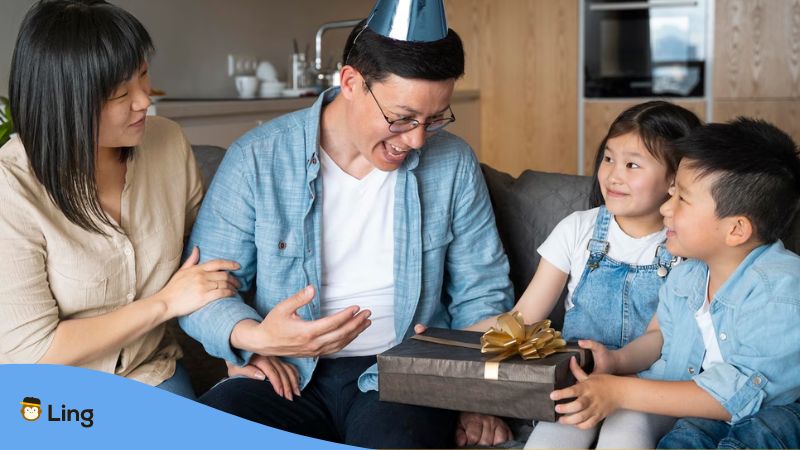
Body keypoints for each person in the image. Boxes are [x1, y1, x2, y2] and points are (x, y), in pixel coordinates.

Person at [178, 0, 513, 447]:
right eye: (402, 118)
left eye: (433, 120)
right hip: (284, 373)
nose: (415, 140)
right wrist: (254, 336)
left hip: (402, 376)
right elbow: (203, 293)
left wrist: (472, 393)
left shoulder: (451, 163)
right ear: (351, 82)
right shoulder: (258, 158)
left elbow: (483, 292)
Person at [0, 0, 240, 399]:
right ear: (63, 100)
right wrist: (164, 304)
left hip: (150, 373)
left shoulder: (167, 142)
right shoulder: (11, 188)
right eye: (119, 93)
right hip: (48, 394)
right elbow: (32, 352)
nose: (144, 100)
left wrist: (242, 341)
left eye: (144, 76)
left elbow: (211, 260)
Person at [549, 118, 800, 449]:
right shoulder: (688, 274)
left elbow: (735, 396)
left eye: (682, 198)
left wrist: (620, 390)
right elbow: (659, 336)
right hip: (689, 414)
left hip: (763, 421)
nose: (665, 208)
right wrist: (617, 362)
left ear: (736, 230)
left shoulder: (781, 289)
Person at [462, 101, 701, 448]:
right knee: (554, 436)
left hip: (650, 384)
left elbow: (660, 337)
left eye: (632, 164)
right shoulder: (578, 229)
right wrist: (442, 339)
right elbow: (522, 317)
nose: (613, 175)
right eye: (608, 158)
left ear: (674, 179)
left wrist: (617, 363)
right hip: (579, 376)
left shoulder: (685, 243)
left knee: (625, 434)